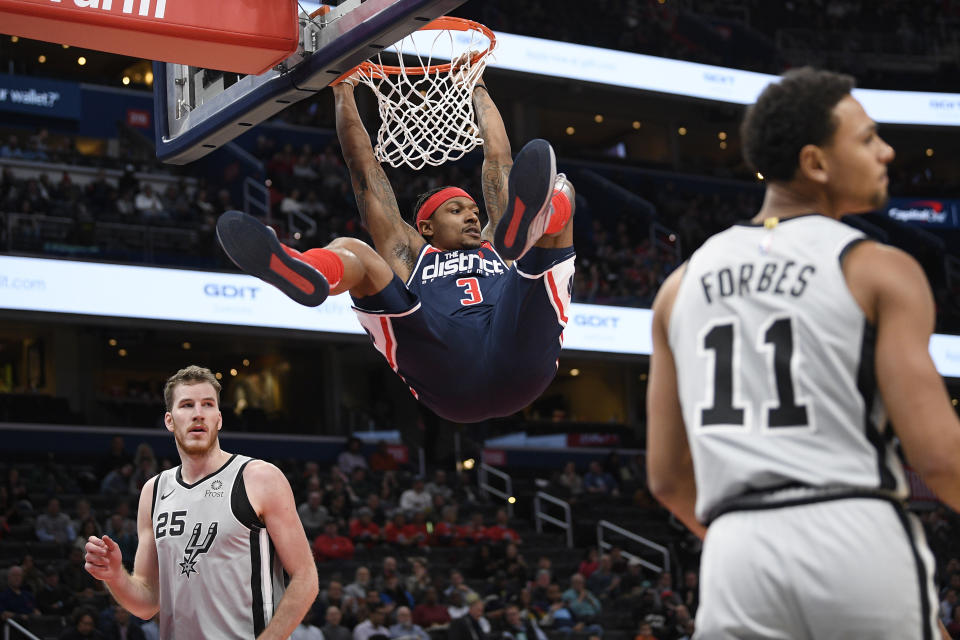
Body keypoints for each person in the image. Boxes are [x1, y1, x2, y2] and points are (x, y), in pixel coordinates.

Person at [646, 67, 960, 639]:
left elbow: (667, 479)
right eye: (867, 139)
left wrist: (758, 538)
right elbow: (940, 458)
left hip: (735, 552)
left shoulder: (678, 286)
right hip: (855, 529)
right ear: (816, 163)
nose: (887, 152)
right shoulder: (878, 268)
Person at [215, 70, 577, 424]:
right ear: (425, 227)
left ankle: (541, 220)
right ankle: (306, 269)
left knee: (561, 190)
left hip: (514, 345)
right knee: (353, 249)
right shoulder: (411, 255)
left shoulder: (498, 242)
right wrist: (343, 91)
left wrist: (477, 82)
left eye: (473, 210)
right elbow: (363, 168)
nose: (471, 217)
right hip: (448, 366)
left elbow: (499, 158)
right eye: (456, 210)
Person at [83, 365, 318, 639]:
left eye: (207, 404)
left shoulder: (259, 477)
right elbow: (147, 603)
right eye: (187, 405)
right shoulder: (154, 490)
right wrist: (115, 576)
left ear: (218, 419)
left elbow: (305, 577)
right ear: (170, 421)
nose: (198, 413)